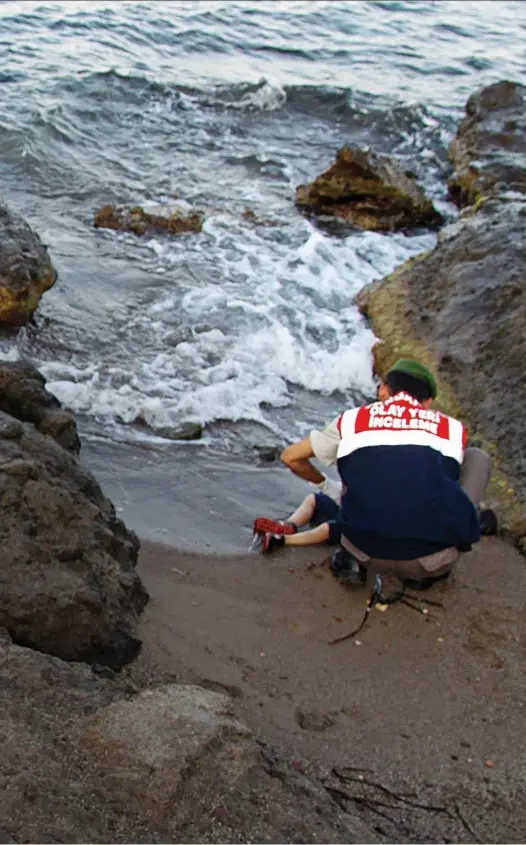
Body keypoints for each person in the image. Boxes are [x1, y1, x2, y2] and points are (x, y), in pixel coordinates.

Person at [253, 358, 496, 587]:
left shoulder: (351, 421)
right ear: (428, 403)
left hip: (362, 551)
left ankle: (350, 558)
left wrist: (325, 485)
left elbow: (291, 457)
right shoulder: (452, 429)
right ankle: (453, 542)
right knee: (477, 458)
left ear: (383, 390)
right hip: (429, 563)